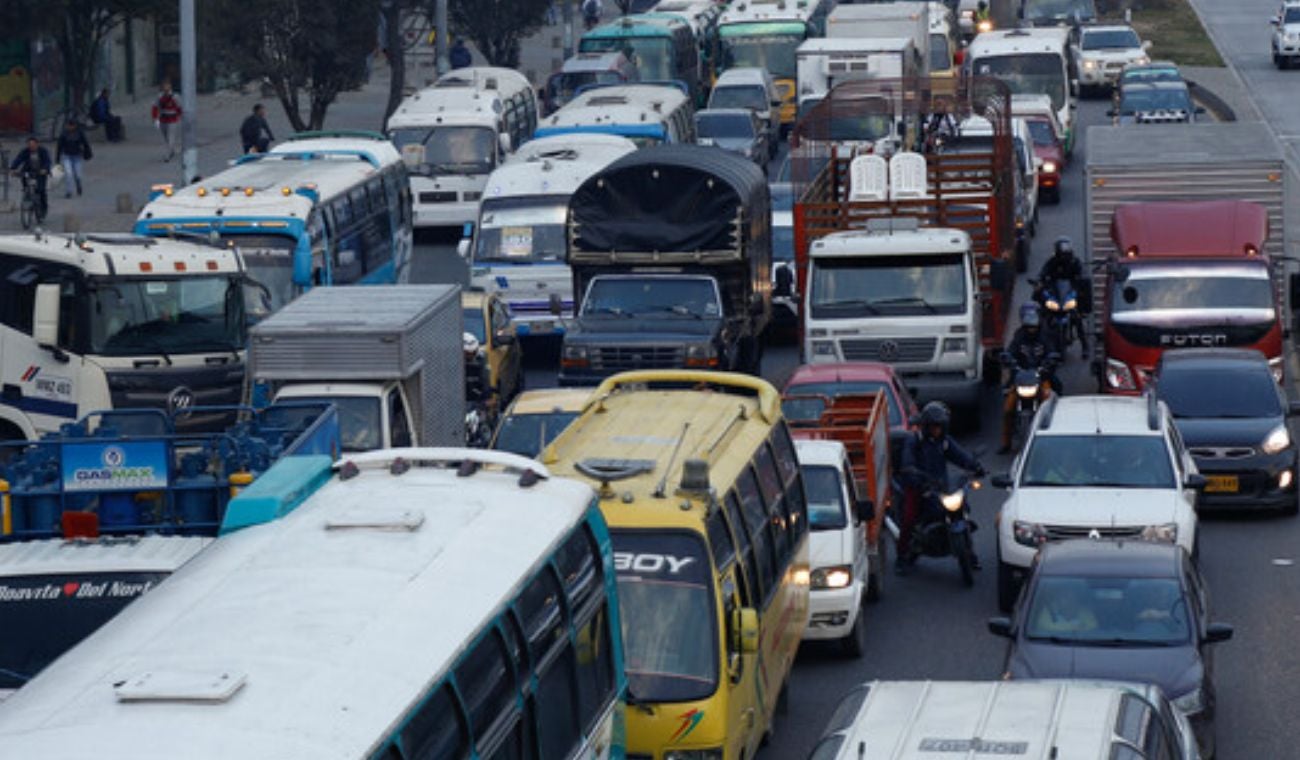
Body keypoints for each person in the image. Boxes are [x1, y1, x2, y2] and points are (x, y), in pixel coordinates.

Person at [897, 401, 985, 574]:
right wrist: (912, 473)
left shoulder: (944, 442)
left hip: (942, 487)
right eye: (934, 427)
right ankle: (901, 556)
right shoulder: (913, 440)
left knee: (962, 511)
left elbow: (960, 455)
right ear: (926, 426)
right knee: (909, 517)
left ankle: (969, 553)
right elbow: (907, 461)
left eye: (940, 427)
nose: (937, 430)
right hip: (919, 486)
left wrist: (975, 466)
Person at [999, 303, 1062, 454]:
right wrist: (1009, 359)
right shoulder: (1019, 336)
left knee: (1052, 402)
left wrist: (1049, 362)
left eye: (1034, 327)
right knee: (1008, 408)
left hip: (1041, 378)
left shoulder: (1045, 337)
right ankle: (1005, 443)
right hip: (1020, 378)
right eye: (1029, 327)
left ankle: (1055, 435)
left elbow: (1052, 352)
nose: (1031, 330)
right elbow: (1010, 351)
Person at [8, 136, 51, 220]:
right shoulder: (25, 151)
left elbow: (47, 161)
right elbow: (18, 159)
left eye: (33, 145)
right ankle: (26, 193)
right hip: (28, 171)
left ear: (37, 144)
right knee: (24, 178)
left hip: (40, 172)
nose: (31, 147)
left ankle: (42, 209)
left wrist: (45, 169)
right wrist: (13, 169)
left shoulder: (43, 151)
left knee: (41, 191)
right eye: (29, 145)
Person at [1033, 582, 1099, 634]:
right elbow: (1044, 626)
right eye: (1064, 596)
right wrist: (1076, 627)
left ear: (1076, 599)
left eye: (1071, 597)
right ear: (1058, 597)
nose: (1067, 601)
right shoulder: (1049, 609)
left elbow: (1092, 628)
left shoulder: (1085, 612)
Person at [54, 119, 92, 198]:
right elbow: (59, 147)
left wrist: (88, 153)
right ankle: (69, 191)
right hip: (67, 156)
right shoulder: (63, 134)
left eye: (72, 125)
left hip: (77, 156)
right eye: (69, 125)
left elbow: (85, 143)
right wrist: (57, 159)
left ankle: (78, 184)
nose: (70, 127)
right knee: (69, 174)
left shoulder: (79, 133)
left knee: (78, 175)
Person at [151, 81, 183, 162]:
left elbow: (179, 108)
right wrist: (155, 119)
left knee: (170, 137)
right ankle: (171, 150)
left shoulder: (175, 97)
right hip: (163, 119)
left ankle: (167, 155)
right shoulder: (160, 97)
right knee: (166, 137)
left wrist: (180, 116)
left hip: (172, 120)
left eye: (167, 86)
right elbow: (155, 107)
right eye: (164, 86)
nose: (166, 88)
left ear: (170, 87)